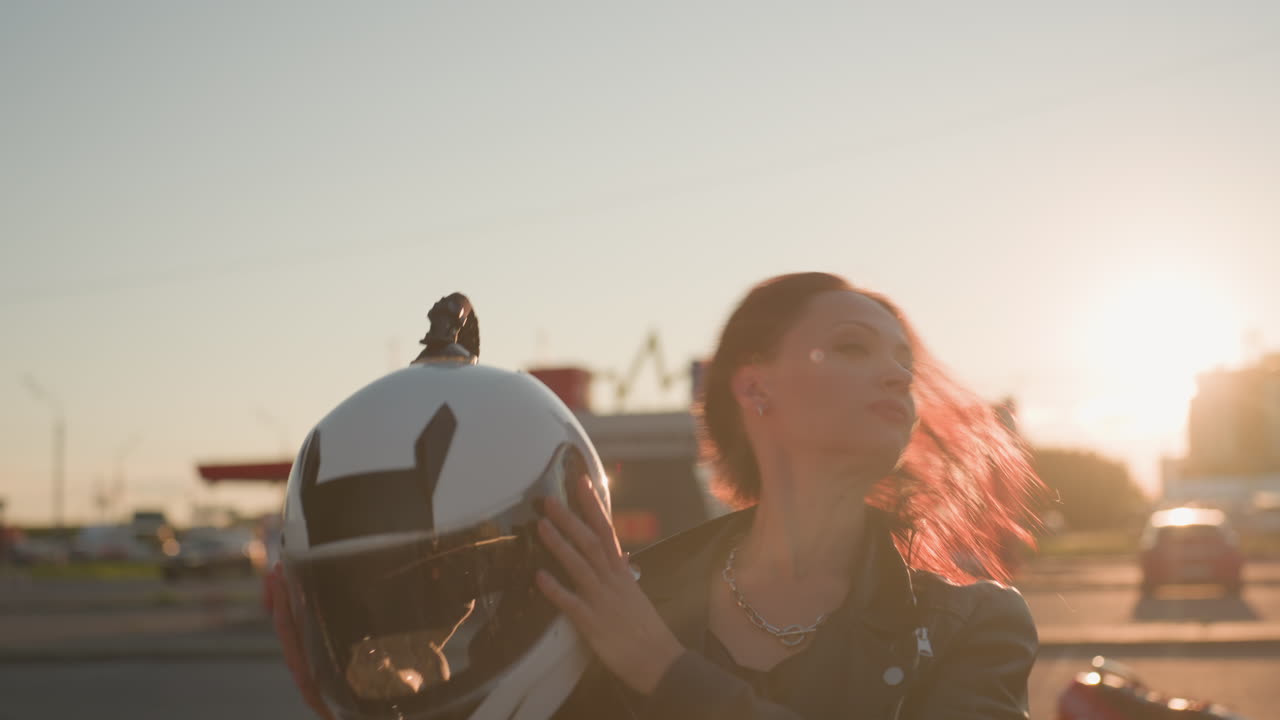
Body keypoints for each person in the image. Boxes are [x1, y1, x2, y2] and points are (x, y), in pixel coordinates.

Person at [268, 272, 1044, 719]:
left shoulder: (977, 624)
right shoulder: (609, 595)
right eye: (853, 346)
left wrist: (665, 670)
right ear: (755, 388)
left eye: (903, 358)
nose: (898, 374)